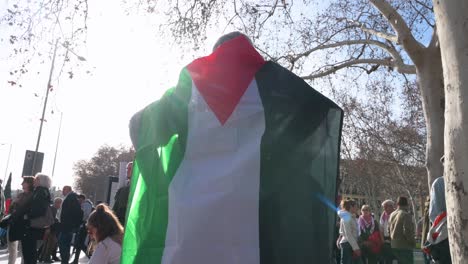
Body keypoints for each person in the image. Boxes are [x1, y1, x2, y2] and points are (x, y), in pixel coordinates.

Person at [22, 173, 53, 264]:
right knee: (31, 251)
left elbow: (38, 209)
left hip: (32, 225)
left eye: (36, 179)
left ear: (40, 180)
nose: (34, 181)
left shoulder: (40, 191)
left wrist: (27, 216)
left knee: (29, 251)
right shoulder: (45, 191)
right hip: (36, 226)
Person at [7, 176, 34, 264]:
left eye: (24, 182)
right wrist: (14, 204)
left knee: (24, 251)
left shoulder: (33, 196)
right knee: (12, 249)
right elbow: (11, 209)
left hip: (24, 226)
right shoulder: (20, 195)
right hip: (14, 224)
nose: (21, 184)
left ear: (29, 183)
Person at [59, 185, 83, 264]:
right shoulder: (73, 198)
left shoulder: (70, 198)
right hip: (69, 226)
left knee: (63, 244)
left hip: (66, 226)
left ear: (68, 190)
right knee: (66, 244)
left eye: (63, 189)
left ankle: (64, 261)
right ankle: (65, 261)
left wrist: (66, 224)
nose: (62, 191)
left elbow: (70, 213)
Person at [388, 196, 415, 264]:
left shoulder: (392, 214)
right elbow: (407, 231)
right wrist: (412, 242)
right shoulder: (406, 214)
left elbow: (388, 230)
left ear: (397, 204)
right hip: (404, 246)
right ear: (407, 205)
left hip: (394, 245)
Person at [71, 194, 94, 264]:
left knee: (80, 243)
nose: (79, 201)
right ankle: (76, 260)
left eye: (80, 200)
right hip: (83, 225)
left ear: (82, 199)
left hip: (84, 225)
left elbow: (86, 215)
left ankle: (90, 258)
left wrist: (80, 216)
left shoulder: (86, 205)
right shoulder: (86, 204)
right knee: (79, 243)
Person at [338, 199, 362, 264]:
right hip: (347, 244)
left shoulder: (351, 217)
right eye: (356, 206)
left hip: (352, 244)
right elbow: (348, 234)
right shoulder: (346, 217)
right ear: (351, 207)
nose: (357, 208)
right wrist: (356, 248)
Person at [379, 199, 395, 264]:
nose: (384, 209)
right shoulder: (383, 216)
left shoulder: (395, 214)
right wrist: (382, 240)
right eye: (384, 207)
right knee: (386, 258)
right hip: (386, 240)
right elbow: (381, 229)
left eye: (386, 207)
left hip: (394, 239)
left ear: (391, 206)